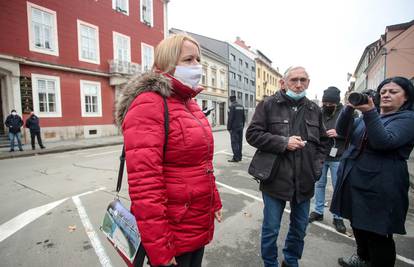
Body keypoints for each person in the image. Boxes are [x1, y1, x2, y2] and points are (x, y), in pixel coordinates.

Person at [115, 34, 222, 267]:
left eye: (198, 60)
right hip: (173, 230)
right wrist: (160, 249)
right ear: (167, 62)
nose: (196, 66)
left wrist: (214, 201)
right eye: (188, 60)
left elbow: (202, 164)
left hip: (195, 221)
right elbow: (145, 186)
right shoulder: (149, 104)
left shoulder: (189, 102)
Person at [246, 66, 329, 267]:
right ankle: (270, 264)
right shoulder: (268, 104)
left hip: (305, 181)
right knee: (271, 228)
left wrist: (316, 168)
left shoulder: (314, 109)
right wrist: (283, 142)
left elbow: (324, 142)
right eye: (294, 80)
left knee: (300, 228)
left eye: (303, 80)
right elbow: (252, 134)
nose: (299, 84)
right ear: (283, 83)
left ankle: (291, 261)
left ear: (308, 82)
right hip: (275, 179)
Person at [330, 76, 414, 267]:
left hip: (381, 184)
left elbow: (384, 142)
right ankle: (362, 258)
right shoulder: (371, 115)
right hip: (356, 179)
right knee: (357, 223)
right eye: (383, 91)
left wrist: (369, 112)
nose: (386, 95)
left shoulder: (408, 119)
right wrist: (349, 107)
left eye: (393, 92)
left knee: (377, 232)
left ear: (406, 97)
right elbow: (342, 131)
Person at [308, 86, 346, 234]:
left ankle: (338, 217)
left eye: (331, 103)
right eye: (325, 103)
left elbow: (355, 132)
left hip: (338, 156)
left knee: (338, 187)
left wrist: (339, 134)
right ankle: (318, 211)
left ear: (337, 102)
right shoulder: (319, 112)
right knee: (319, 185)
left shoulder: (347, 113)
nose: (328, 106)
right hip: (321, 155)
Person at [227, 95, 245, 162]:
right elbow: (244, 118)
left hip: (234, 128)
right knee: (240, 142)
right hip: (240, 127)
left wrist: (229, 128)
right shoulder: (241, 106)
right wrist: (242, 126)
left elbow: (230, 118)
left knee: (234, 143)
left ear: (231, 100)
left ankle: (235, 158)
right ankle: (240, 157)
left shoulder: (232, 106)